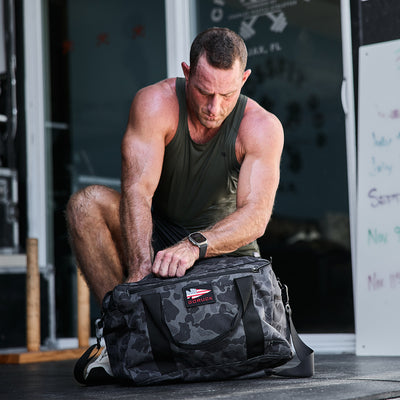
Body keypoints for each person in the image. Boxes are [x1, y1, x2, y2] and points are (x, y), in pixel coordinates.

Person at [68, 26, 283, 384]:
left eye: (226, 95)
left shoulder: (261, 126)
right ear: (187, 73)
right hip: (158, 239)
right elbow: (138, 191)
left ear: (244, 79)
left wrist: (194, 245)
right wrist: (138, 278)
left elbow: (257, 215)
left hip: (223, 251)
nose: (214, 107)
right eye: (203, 91)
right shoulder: (155, 104)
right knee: (85, 205)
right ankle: (122, 334)